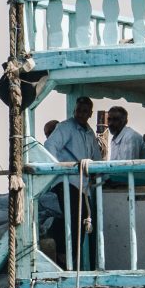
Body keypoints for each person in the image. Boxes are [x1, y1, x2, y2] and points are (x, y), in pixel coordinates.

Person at [42, 96, 102, 268]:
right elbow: (50, 146)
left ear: (90, 113)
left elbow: (96, 159)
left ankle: (70, 259)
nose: (81, 114)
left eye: (85, 111)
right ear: (74, 111)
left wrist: (101, 175)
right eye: (78, 110)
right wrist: (57, 168)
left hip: (83, 185)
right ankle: (63, 258)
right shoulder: (66, 127)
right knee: (72, 220)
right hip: (67, 181)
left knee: (82, 222)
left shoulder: (89, 133)